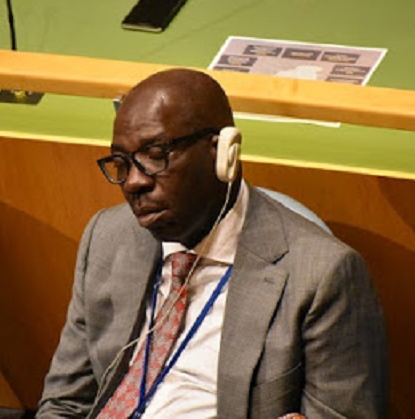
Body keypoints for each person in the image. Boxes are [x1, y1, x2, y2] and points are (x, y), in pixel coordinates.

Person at [36, 68, 388, 418]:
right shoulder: (108, 236)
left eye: (156, 155)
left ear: (223, 155)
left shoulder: (320, 274)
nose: (134, 182)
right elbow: (64, 403)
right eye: (122, 163)